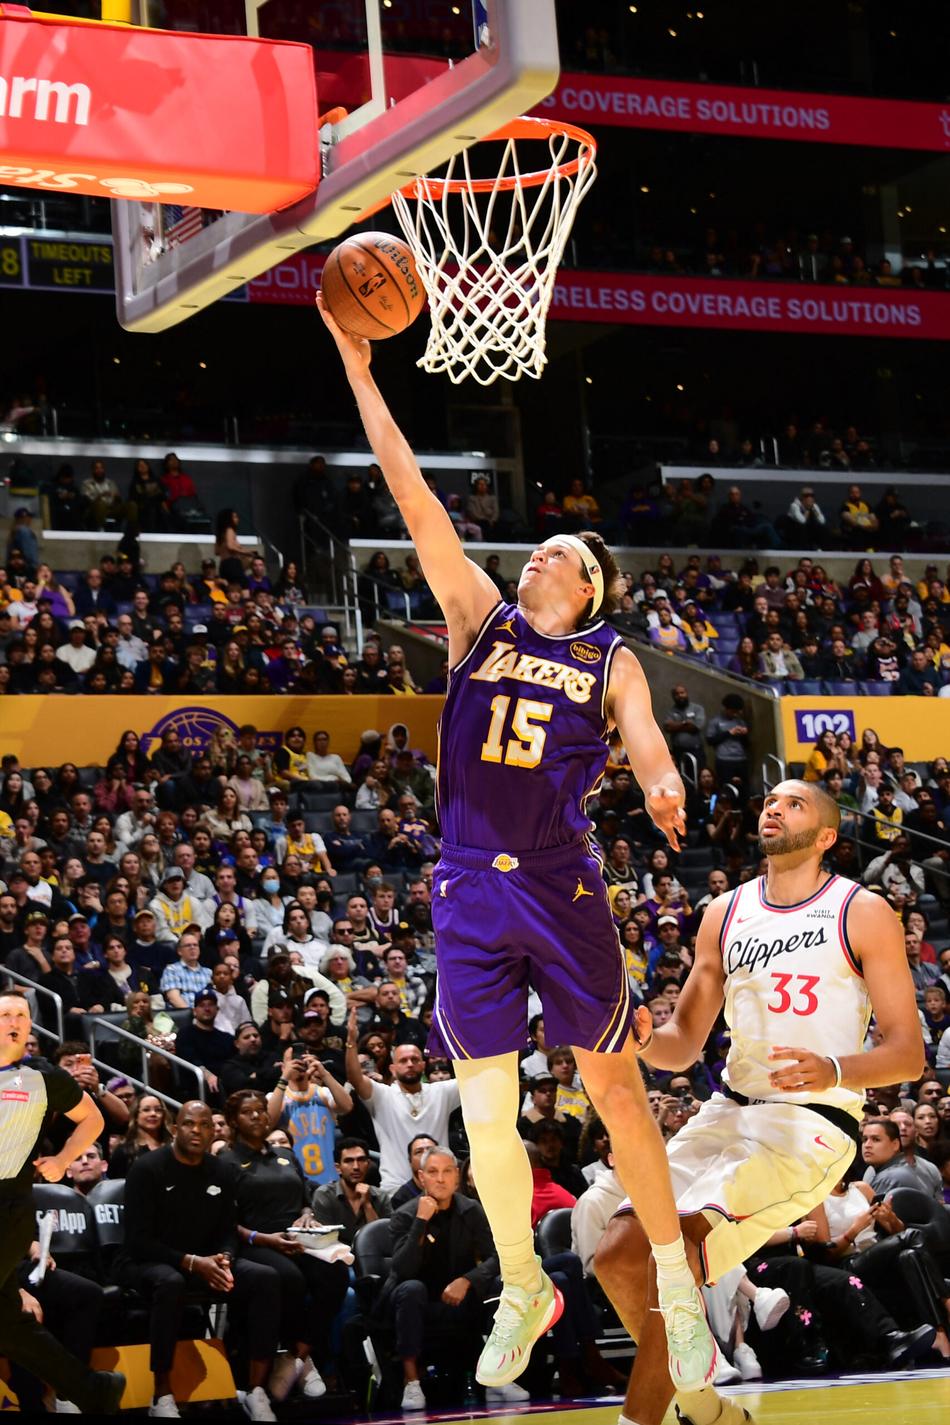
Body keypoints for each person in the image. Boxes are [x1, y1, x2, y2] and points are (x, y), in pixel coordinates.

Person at [319, 291, 715, 1394]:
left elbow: (641, 740)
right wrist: (359, 367)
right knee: (484, 1108)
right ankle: (519, 1284)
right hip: (463, 886)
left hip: (556, 879)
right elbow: (409, 494)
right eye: (532, 551)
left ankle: (679, 1298)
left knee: (614, 1089)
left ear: (584, 584)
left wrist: (664, 777)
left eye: (549, 553)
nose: (529, 559)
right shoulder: (475, 618)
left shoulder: (606, 657)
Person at [593, 781, 926, 1425]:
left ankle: (640, 1419)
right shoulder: (724, 911)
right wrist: (641, 1039)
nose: (775, 807)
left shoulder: (862, 911)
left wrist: (832, 1066)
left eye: (795, 803)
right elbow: (684, 1044)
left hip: (810, 1122)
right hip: (727, 1109)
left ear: (828, 835)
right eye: (771, 799)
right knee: (619, 1251)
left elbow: (908, 1052)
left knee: (683, 1241)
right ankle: (706, 1405)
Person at [0, 992, 125, 1414]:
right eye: (5, 1014)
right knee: (9, 1325)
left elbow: (93, 1119)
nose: (14, 1021)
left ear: (30, 1028)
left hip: (9, 1207)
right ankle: (91, 1390)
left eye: (21, 1014)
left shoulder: (42, 1075)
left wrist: (63, 1159)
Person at [117, 1099, 281, 1421]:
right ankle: (161, 1394)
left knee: (266, 1278)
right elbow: (139, 1241)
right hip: (147, 1261)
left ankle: (255, 1390)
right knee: (170, 1282)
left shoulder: (220, 1170)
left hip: (204, 1261)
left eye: (206, 1125)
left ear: (214, 1131)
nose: (198, 1131)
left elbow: (227, 1230)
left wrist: (225, 1258)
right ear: (175, 1128)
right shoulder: (147, 1169)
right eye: (190, 1124)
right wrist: (191, 1262)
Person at [219, 1090, 349, 1403]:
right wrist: (263, 1238)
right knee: (290, 1277)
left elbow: (305, 1201)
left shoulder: (285, 1155)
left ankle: (296, 1356)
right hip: (253, 1241)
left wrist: (308, 1217)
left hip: (295, 1239)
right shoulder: (226, 1160)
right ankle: (283, 1366)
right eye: (248, 1112)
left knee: (336, 1273)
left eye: (261, 1110)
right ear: (234, 1121)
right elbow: (224, 1220)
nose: (257, 1116)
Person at [386, 1145, 500, 1411]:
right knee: (412, 1289)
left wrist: (468, 1280)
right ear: (421, 1177)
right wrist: (420, 1222)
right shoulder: (404, 1214)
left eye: (448, 1171)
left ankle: (498, 1375)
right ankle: (411, 1381)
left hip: (457, 1292)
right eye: (433, 1172)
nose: (441, 1179)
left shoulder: (471, 1210)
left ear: (457, 1176)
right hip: (414, 1295)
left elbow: (496, 1258)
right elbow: (402, 1269)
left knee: (497, 1285)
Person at [311, 1136, 392, 1245]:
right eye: (349, 1161)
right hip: (336, 1258)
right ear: (338, 1168)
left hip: (372, 1258)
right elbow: (325, 1241)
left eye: (361, 1160)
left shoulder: (381, 1196)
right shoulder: (325, 1195)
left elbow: (384, 1241)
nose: (356, 1166)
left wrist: (368, 1205)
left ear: (368, 1164)